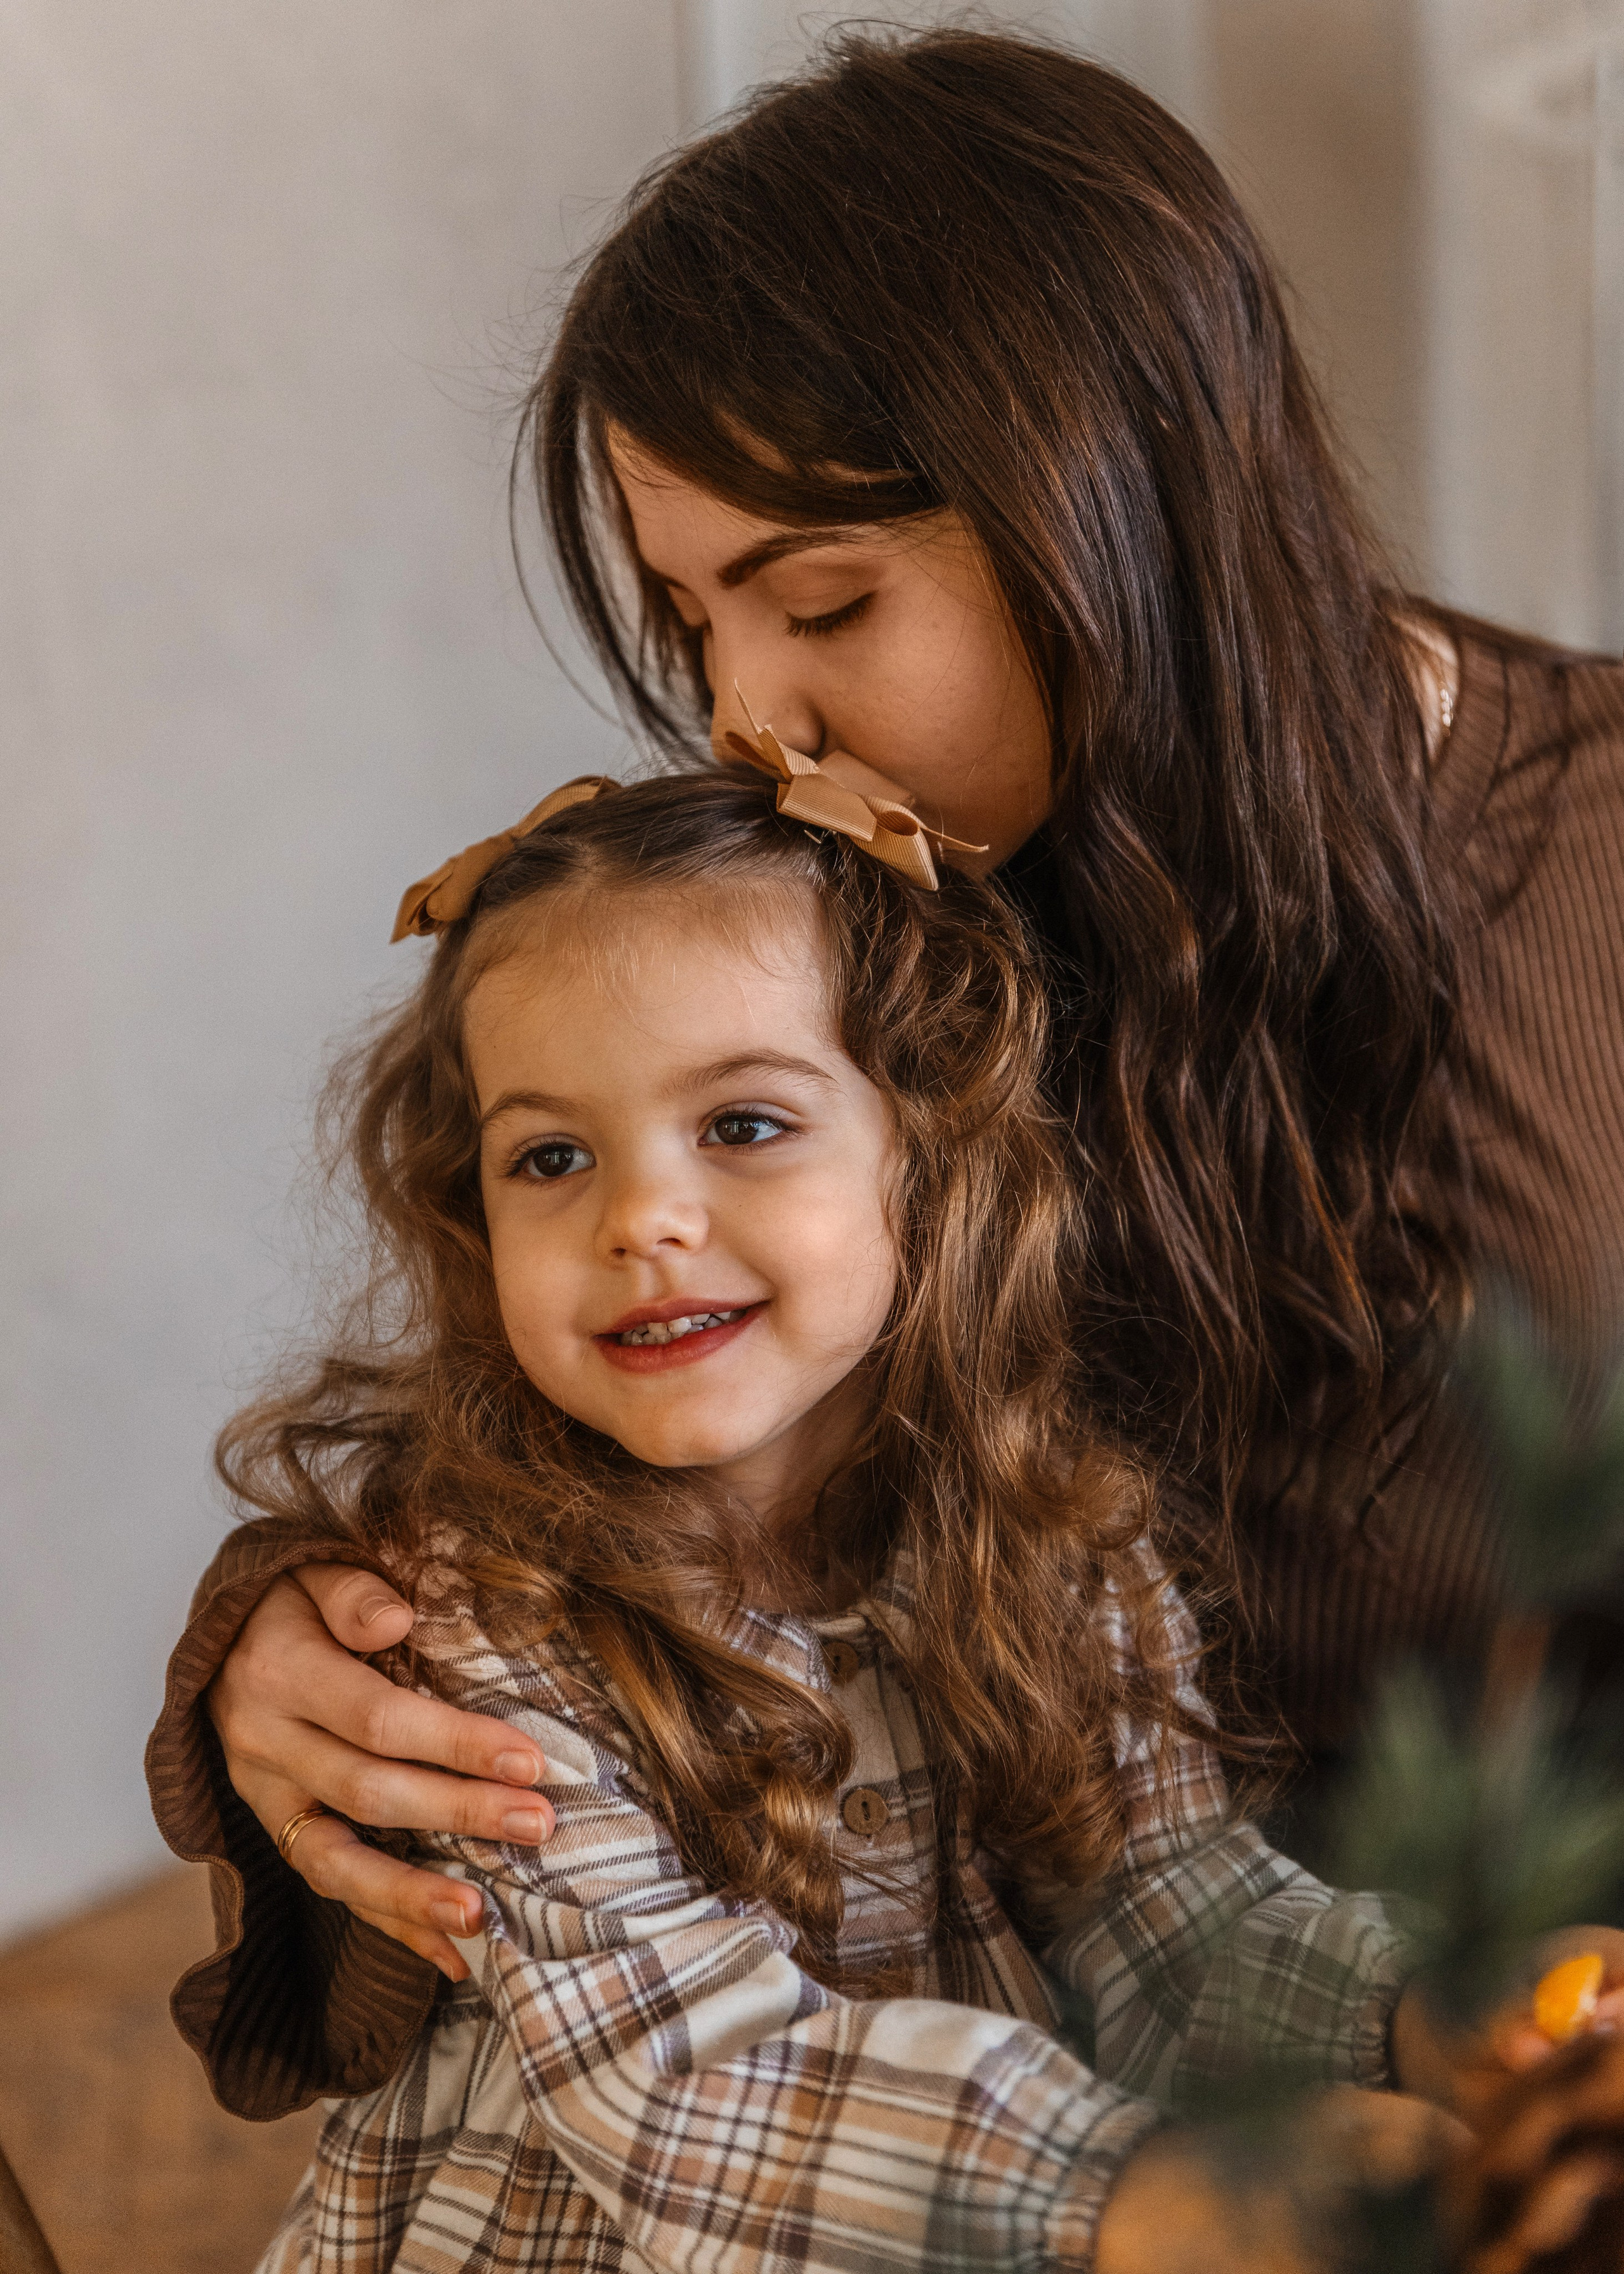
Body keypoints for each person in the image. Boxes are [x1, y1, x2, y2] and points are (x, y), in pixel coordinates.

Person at [145, 24, 1624, 2124]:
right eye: (692, 626)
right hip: (954, 2107)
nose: (752, 722)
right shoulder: (827, 937)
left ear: (1126, 501)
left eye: (821, 600)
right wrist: (304, 1631)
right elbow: (605, 1435)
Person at [230, 767, 1496, 2271]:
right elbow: (688, 2085)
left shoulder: (1058, 1530)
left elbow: (1168, 1907)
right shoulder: (475, 1619)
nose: (639, 1217)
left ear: (929, 1149)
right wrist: (1128, 2188)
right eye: (549, 1156)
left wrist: (1418, 2011)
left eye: (744, 1121)